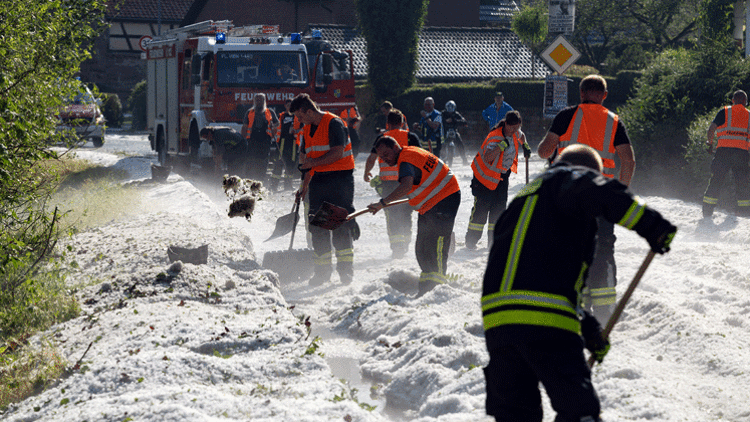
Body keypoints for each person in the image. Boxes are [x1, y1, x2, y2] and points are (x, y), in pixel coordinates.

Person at [482, 144, 677, 422]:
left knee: (515, 414)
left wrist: (589, 330)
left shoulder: (523, 200)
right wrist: (653, 226)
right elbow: (600, 189)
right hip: (546, 324)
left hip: (498, 326)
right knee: (579, 412)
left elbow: (536, 282)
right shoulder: (570, 177)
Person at [537, 74, 636, 324]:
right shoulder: (615, 121)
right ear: (604, 95)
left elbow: (543, 151)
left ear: (581, 93)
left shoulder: (565, 116)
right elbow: (629, 160)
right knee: (602, 250)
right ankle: (603, 314)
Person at [367, 137, 460, 297]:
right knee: (422, 248)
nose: (385, 159)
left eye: (386, 154)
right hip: (431, 204)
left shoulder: (405, 160)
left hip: (444, 198)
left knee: (435, 246)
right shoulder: (409, 153)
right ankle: (426, 286)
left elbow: (406, 186)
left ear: (396, 146)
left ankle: (436, 289)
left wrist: (383, 202)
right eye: (381, 157)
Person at [291, 93, 356, 286]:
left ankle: (345, 273)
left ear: (309, 111)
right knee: (317, 227)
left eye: (300, 116)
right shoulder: (306, 130)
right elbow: (306, 161)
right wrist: (304, 186)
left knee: (338, 226)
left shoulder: (335, 123)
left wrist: (312, 164)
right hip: (318, 181)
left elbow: (337, 153)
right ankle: (322, 273)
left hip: (339, 181)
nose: (299, 120)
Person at [465, 111, 531, 250]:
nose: (515, 131)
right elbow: (487, 158)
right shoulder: (494, 137)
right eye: (512, 128)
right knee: (481, 210)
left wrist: (525, 145)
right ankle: (471, 241)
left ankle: (493, 242)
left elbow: (522, 135)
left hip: (501, 177)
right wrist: (500, 147)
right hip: (484, 178)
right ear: (506, 124)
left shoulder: (515, 133)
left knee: (498, 210)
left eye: (517, 128)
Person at [363, 110, 421, 258]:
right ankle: (406, 243)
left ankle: (397, 248)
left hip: (388, 184)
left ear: (387, 124)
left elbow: (371, 158)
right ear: (402, 123)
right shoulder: (410, 136)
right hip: (407, 182)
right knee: (406, 213)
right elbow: (419, 157)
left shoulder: (382, 138)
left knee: (391, 214)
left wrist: (366, 172)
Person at [702, 89, 750, 218]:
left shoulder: (724, 112)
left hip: (723, 153)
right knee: (742, 183)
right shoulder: (749, 115)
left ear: (733, 101)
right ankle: (743, 213)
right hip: (741, 154)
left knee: (716, 180)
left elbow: (711, 128)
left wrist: (710, 143)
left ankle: (707, 211)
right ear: (745, 102)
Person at [241, 93, 279, 184]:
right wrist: (243, 139)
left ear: (264, 101)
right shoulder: (249, 112)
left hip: (265, 141)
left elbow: (277, 123)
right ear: (254, 101)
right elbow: (245, 126)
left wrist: (273, 125)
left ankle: (260, 182)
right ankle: (249, 183)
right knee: (250, 162)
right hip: (252, 141)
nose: (258, 102)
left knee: (263, 163)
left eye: (261, 100)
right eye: (257, 100)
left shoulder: (270, 112)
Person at [270, 99, 301, 191]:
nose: (289, 107)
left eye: (291, 105)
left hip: (293, 143)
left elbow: (303, 129)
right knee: (279, 163)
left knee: (290, 164)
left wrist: (295, 131)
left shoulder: (298, 116)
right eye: (288, 105)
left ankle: (287, 185)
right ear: (285, 106)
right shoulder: (281, 116)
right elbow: (275, 126)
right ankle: (273, 185)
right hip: (282, 143)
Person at [441, 100, 470, 165]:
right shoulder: (442, 114)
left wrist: (454, 120)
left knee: (460, 143)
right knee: (441, 144)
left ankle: (464, 159)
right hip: (444, 132)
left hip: (454, 131)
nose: (450, 111)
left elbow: (464, 122)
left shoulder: (456, 114)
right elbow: (438, 120)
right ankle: (442, 159)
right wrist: (445, 121)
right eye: (448, 107)